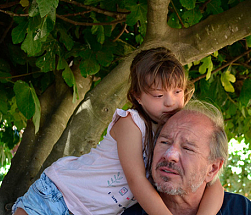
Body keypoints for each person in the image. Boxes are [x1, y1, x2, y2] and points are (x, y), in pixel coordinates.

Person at [12, 48, 224, 215]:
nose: (171, 102)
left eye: (177, 91)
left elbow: (213, 183)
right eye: (159, 95)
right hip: (58, 197)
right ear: (138, 97)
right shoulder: (132, 123)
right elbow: (136, 181)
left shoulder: (171, 132)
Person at [122, 100, 251, 215]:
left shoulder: (241, 210)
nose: (169, 155)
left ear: (212, 169)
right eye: (164, 142)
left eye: (187, 148)